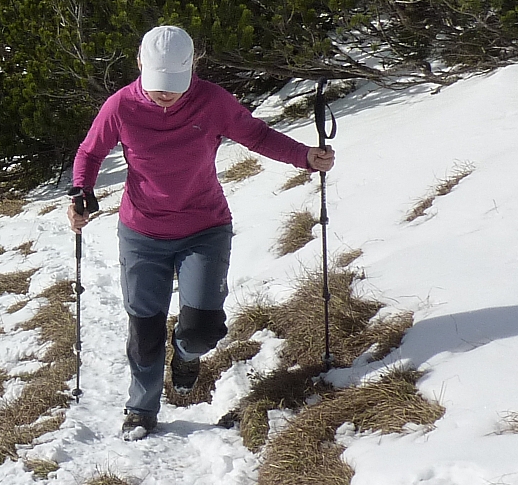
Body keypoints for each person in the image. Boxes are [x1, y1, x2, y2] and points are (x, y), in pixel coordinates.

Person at [69, 26, 335, 439]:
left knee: (202, 330)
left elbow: (256, 135)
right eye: (158, 82)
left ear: (192, 67)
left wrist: (305, 157)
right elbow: (90, 152)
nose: (165, 93)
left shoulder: (212, 101)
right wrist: (81, 192)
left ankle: (186, 354)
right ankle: (141, 408)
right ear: (139, 65)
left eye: (174, 83)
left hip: (204, 228)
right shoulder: (121, 106)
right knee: (145, 331)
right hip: (142, 233)